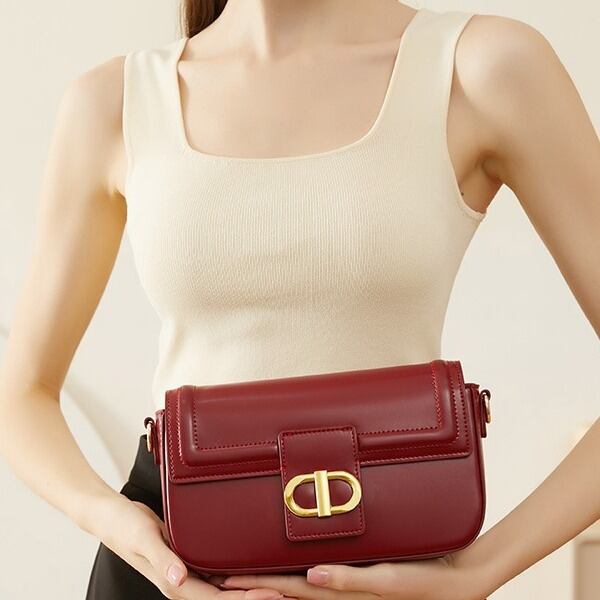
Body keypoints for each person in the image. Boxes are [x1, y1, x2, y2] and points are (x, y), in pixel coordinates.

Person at [0, 0, 599, 599]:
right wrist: (120, 527)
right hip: (170, 565)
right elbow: (23, 393)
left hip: (390, 560)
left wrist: (478, 573)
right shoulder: (113, 100)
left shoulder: (478, 67)